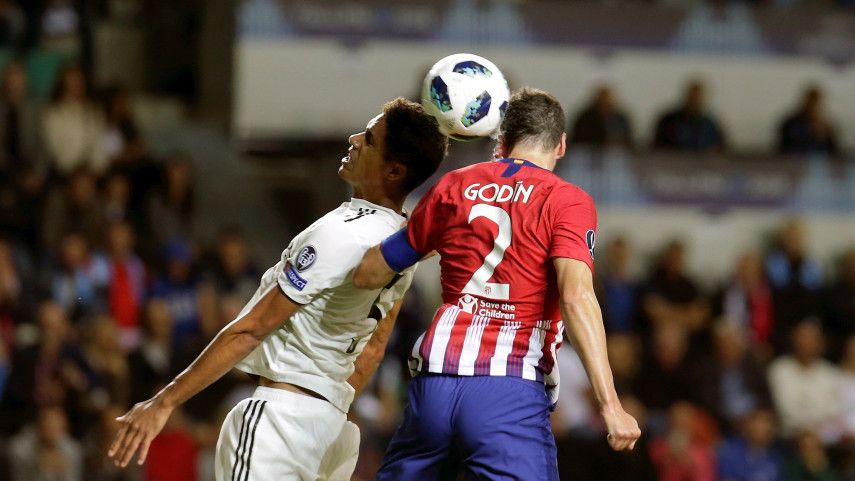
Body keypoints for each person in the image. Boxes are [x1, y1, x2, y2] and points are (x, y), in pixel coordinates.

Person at [107, 98, 448, 481]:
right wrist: (326, 407)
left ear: (394, 170)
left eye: (369, 140)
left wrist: (163, 401)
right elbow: (373, 350)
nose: (353, 139)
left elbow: (251, 329)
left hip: (279, 426)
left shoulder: (341, 233)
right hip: (332, 428)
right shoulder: (400, 246)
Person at [352, 88, 640, 480]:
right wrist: (610, 405)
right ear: (561, 145)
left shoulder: (455, 186)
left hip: (433, 384)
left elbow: (369, 272)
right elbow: (576, 297)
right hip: (508, 387)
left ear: (501, 142)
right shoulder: (567, 201)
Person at [652, 79, 726, 153]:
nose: (695, 101)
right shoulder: (669, 121)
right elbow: (658, 147)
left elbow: (720, 148)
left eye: (698, 98)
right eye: (693, 97)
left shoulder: (710, 125)